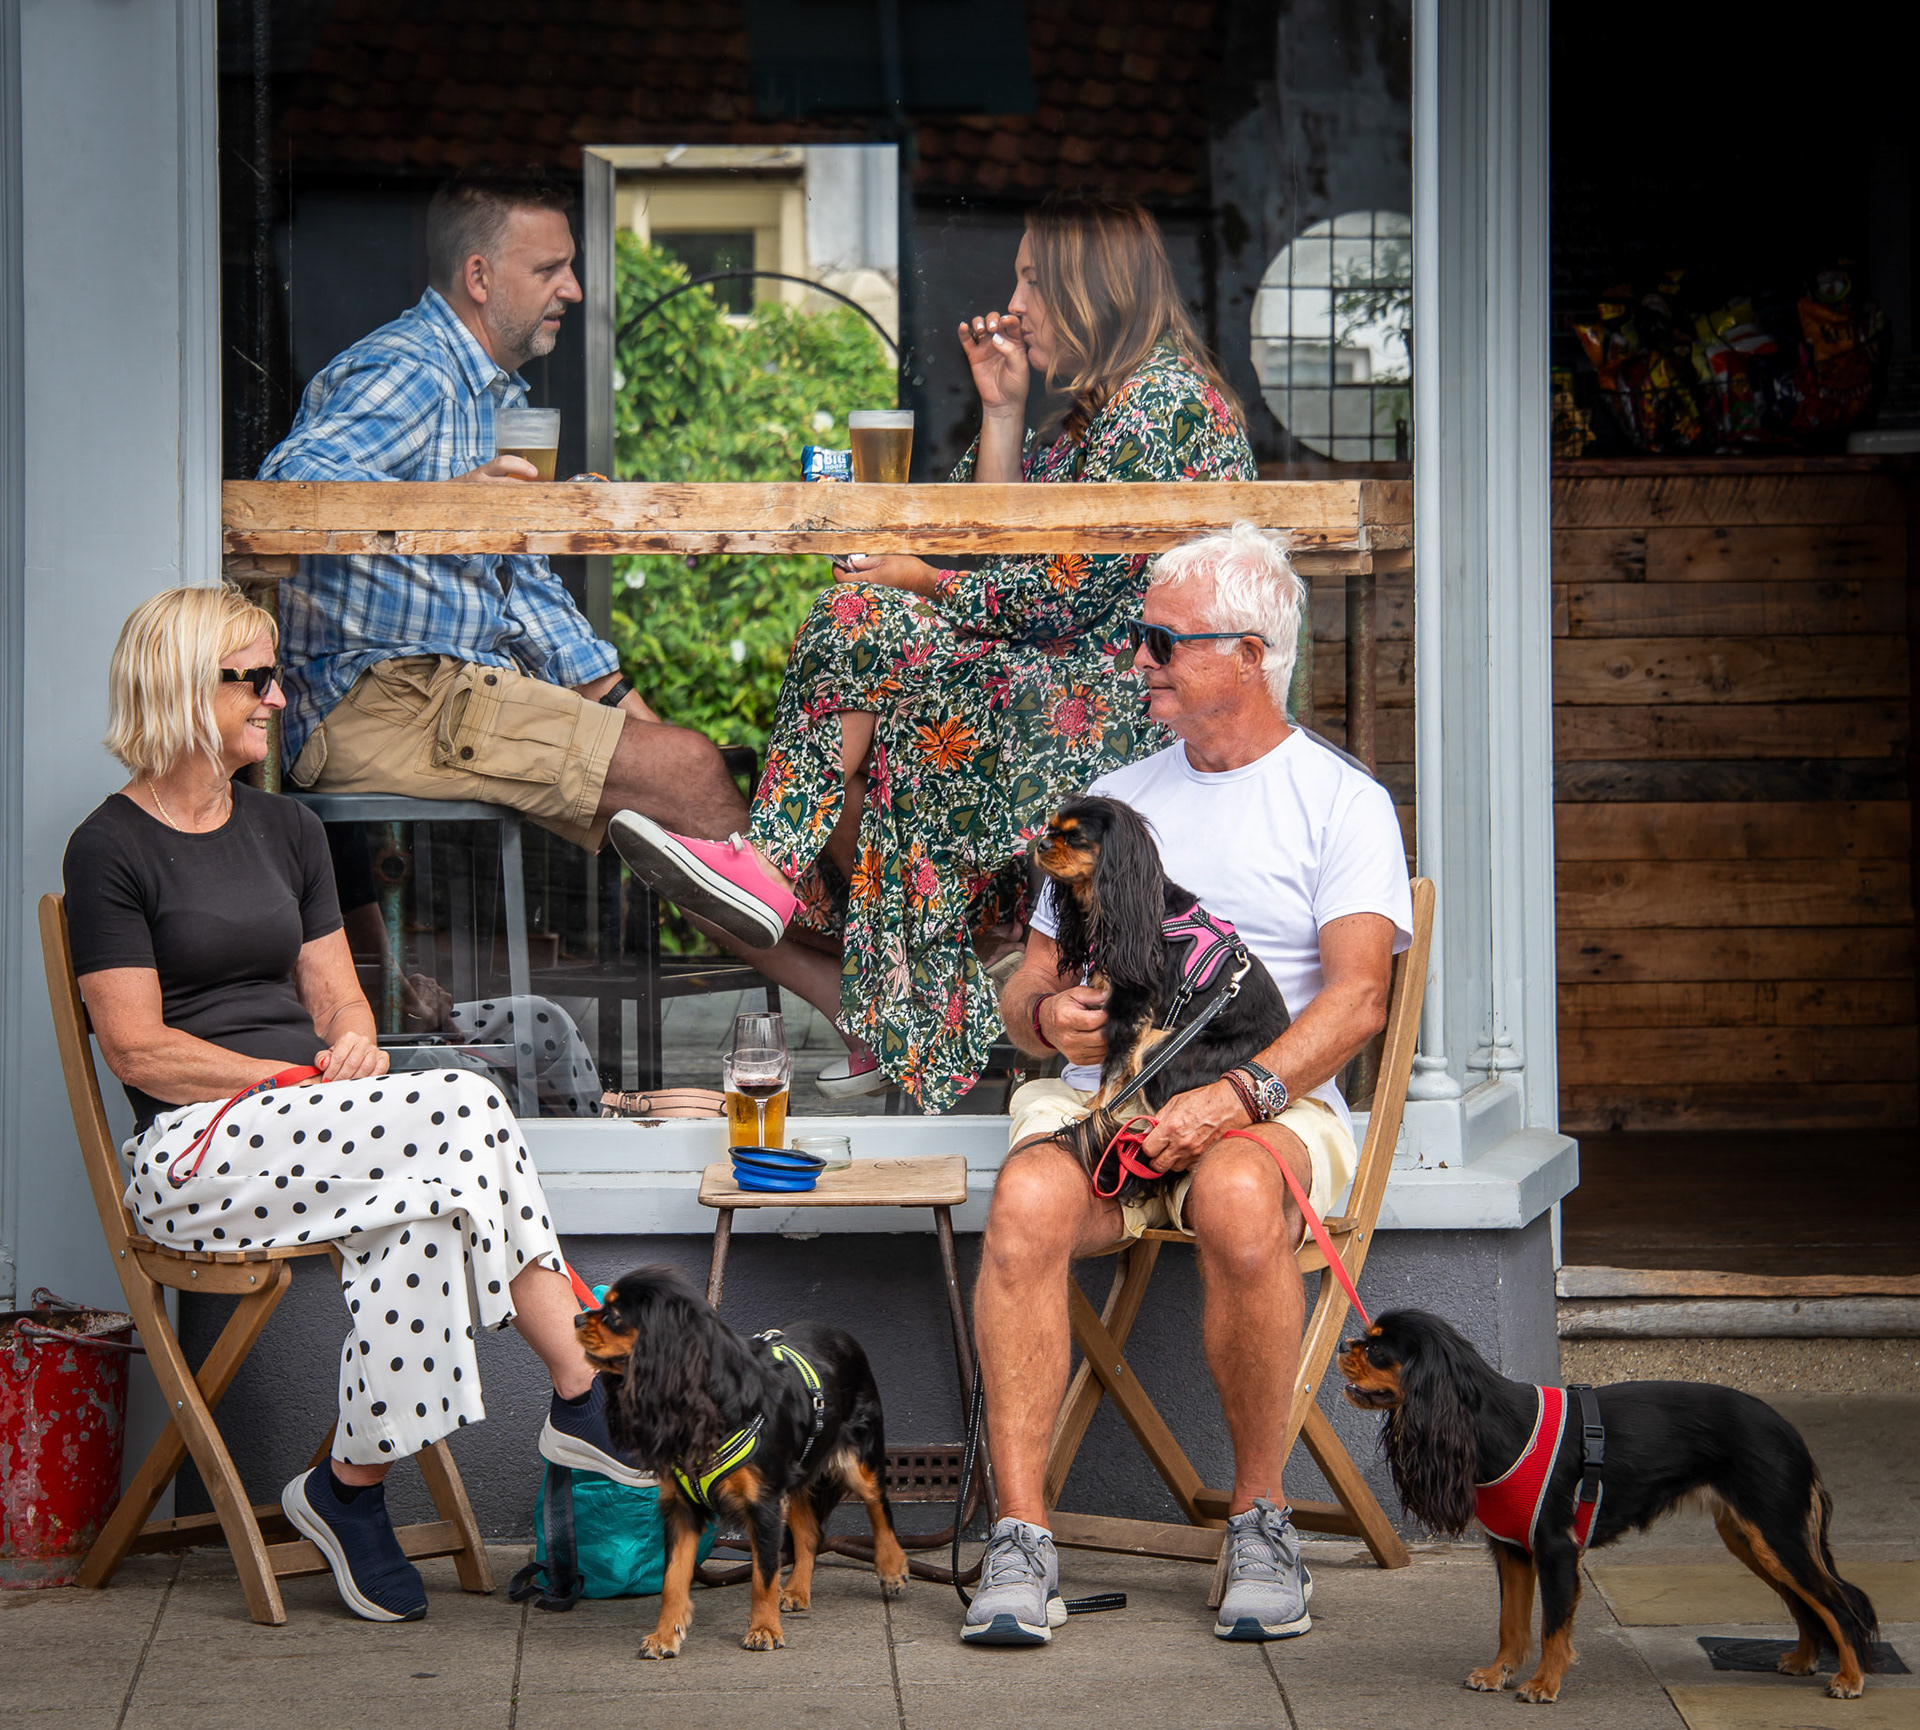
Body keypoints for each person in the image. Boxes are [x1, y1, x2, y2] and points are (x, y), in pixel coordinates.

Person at [63, 585, 643, 1624]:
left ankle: (351, 1490)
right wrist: (283, 1078)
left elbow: (337, 991)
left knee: (429, 1206)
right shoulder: (110, 848)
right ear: (185, 687)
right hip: (196, 1154)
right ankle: (579, 1380)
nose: (281, 698)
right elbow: (136, 1044)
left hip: (320, 1131)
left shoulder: (287, 829)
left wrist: (354, 1037)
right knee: (464, 1103)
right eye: (255, 677)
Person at [611, 190, 1256, 1108]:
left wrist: (919, 581)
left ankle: (776, 873)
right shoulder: (1098, 412)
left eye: (1033, 279)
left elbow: (1051, 595)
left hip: (1121, 709)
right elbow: (982, 540)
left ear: (1092, 289)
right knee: (872, 672)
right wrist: (1001, 412)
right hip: (1054, 685)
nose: (1018, 303)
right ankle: (884, 1006)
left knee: (856, 629)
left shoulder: (1163, 406)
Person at [257, 168, 859, 1073]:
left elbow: (527, 593)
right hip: (369, 698)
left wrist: (633, 713)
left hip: (439, 693)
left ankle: (864, 1002)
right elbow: (279, 501)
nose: (573, 290)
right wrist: (442, 504)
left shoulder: (492, 397)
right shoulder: (408, 372)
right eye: (553, 269)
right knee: (691, 778)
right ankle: (872, 996)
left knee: (684, 776)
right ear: (479, 276)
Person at [960, 524, 1413, 1646]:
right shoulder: (1110, 802)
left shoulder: (1340, 801)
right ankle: (1021, 1537)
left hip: (1267, 1095)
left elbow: (1356, 1001)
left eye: (1162, 640)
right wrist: (1049, 1013)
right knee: (1021, 1203)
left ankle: (1260, 1518)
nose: (1139, 660)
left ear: (1250, 653)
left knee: (1239, 1196)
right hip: (1106, 1095)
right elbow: (1026, 994)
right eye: (1139, 637)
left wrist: (1239, 1097)